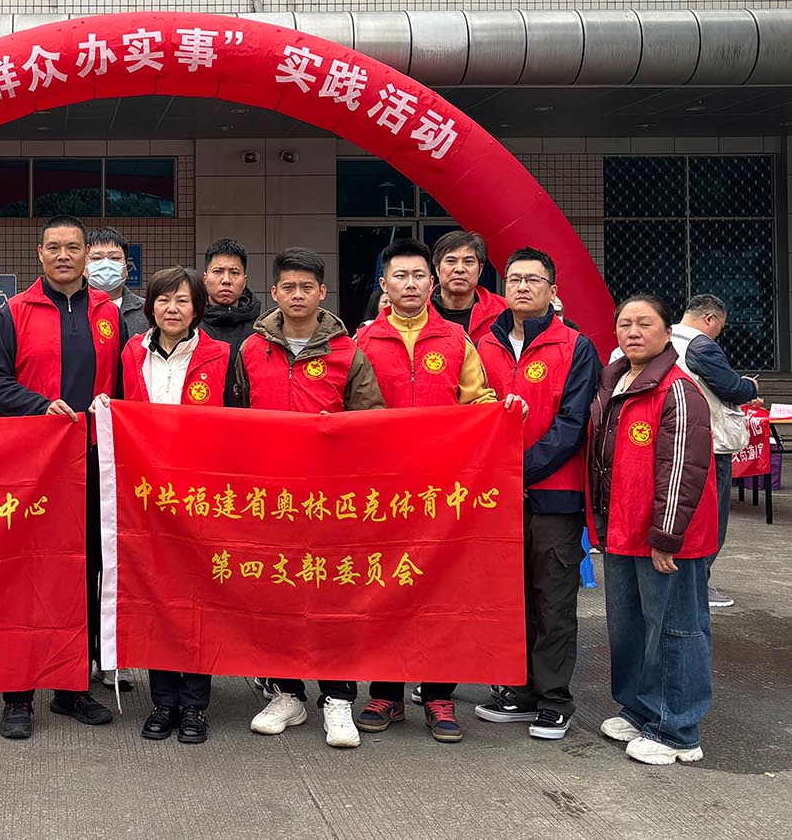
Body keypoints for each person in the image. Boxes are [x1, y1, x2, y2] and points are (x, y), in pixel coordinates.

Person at [232, 248, 384, 749]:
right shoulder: (251, 350)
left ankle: (338, 698)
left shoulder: (348, 352)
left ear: (322, 292)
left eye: (307, 288)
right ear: (274, 292)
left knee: (333, 595)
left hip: (330, 500)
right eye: (288, 287)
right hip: (270, 498)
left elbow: (371, 423)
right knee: (276, 593)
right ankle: (287, 693)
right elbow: (232, 419)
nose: (297, 296)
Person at [0, 214, 121, 740]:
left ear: (86, 254)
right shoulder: (14, 312)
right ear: (39, 254)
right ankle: (17, 694)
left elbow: (123, 385)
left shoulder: (108, 313)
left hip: (90, 463)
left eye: (73, 247)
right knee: (23, 576)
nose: (64, 255)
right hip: (30, 467)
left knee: (82, 574)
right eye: (54, 247)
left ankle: (72, 686)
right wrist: (40, 405)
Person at [353, 238, 499, 744]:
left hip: (442, 493)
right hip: (384, 494)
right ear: (384, 284)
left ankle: (439, 695)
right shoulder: (362, 342)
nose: (410, 284)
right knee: (385, 589)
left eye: (419, 276)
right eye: (400, 276)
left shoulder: (457, 341)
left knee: (442, 592)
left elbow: (479, 401)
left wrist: (502, 413)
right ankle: (386, 693)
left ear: (431, 284)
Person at [473, 247, 600, 740]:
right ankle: (520, 690)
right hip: (496, 499)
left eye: (533, 280)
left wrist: (516, 470)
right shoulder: (484, 343)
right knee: (512, 597)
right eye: (514, 279)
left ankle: (554, 699)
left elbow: (572, 425)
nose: (522, 287)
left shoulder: (575, 346)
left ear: (552, 290)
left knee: (553, 598)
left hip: (554, 495)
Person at [590, 294, 715, 765]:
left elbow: (683, 466)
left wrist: (666, 535)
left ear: (667, 332)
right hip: (622, 527)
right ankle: (640, 709)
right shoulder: (615, 381)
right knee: (630, 627)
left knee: (675, 629)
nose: (633, 332)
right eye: (625, 324)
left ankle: (677, 729)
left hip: (664, 536)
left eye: (645, 323)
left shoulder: (677, 389)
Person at [115, 265, 230, 745]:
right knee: (157, 597)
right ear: (150, 307)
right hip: (147, 496)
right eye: (164, 300)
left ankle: (195, 704)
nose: (172, 309)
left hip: (201, 495)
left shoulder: (221, 355)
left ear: (198, 308)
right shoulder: (131, 352)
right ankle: (162, 700)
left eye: (183, 300)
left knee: (198, 597)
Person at [671, 294, 760, 608]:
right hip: (710, 444)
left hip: (672, 441)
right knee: (710, 520)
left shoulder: (664, 337)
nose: (718, 333)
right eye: (720, 326)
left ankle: (679, 583)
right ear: (710, 318)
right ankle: (698, 585)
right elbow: (731, 387)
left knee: (678, 515)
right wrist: (750, 386)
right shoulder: (701, 345)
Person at [200, 239, 264, 395]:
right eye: (218, 271)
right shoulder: (190, 325)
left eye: (234, 273)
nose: (226, 280)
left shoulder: (262, 329)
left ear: (244, 280)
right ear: (205, 278)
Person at [430, 230, 507, 339]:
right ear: (437, 268)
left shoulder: (504, 311)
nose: (459, 269)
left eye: (468, 262)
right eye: (451, 261)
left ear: (480, 270)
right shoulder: (418, 311)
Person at [85, 227, 148, 340]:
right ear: (82, 266)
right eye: (96, 258)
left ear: (126, 268)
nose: (106, 264)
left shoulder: (148, 311)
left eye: (115, 258)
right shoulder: (69, 310)